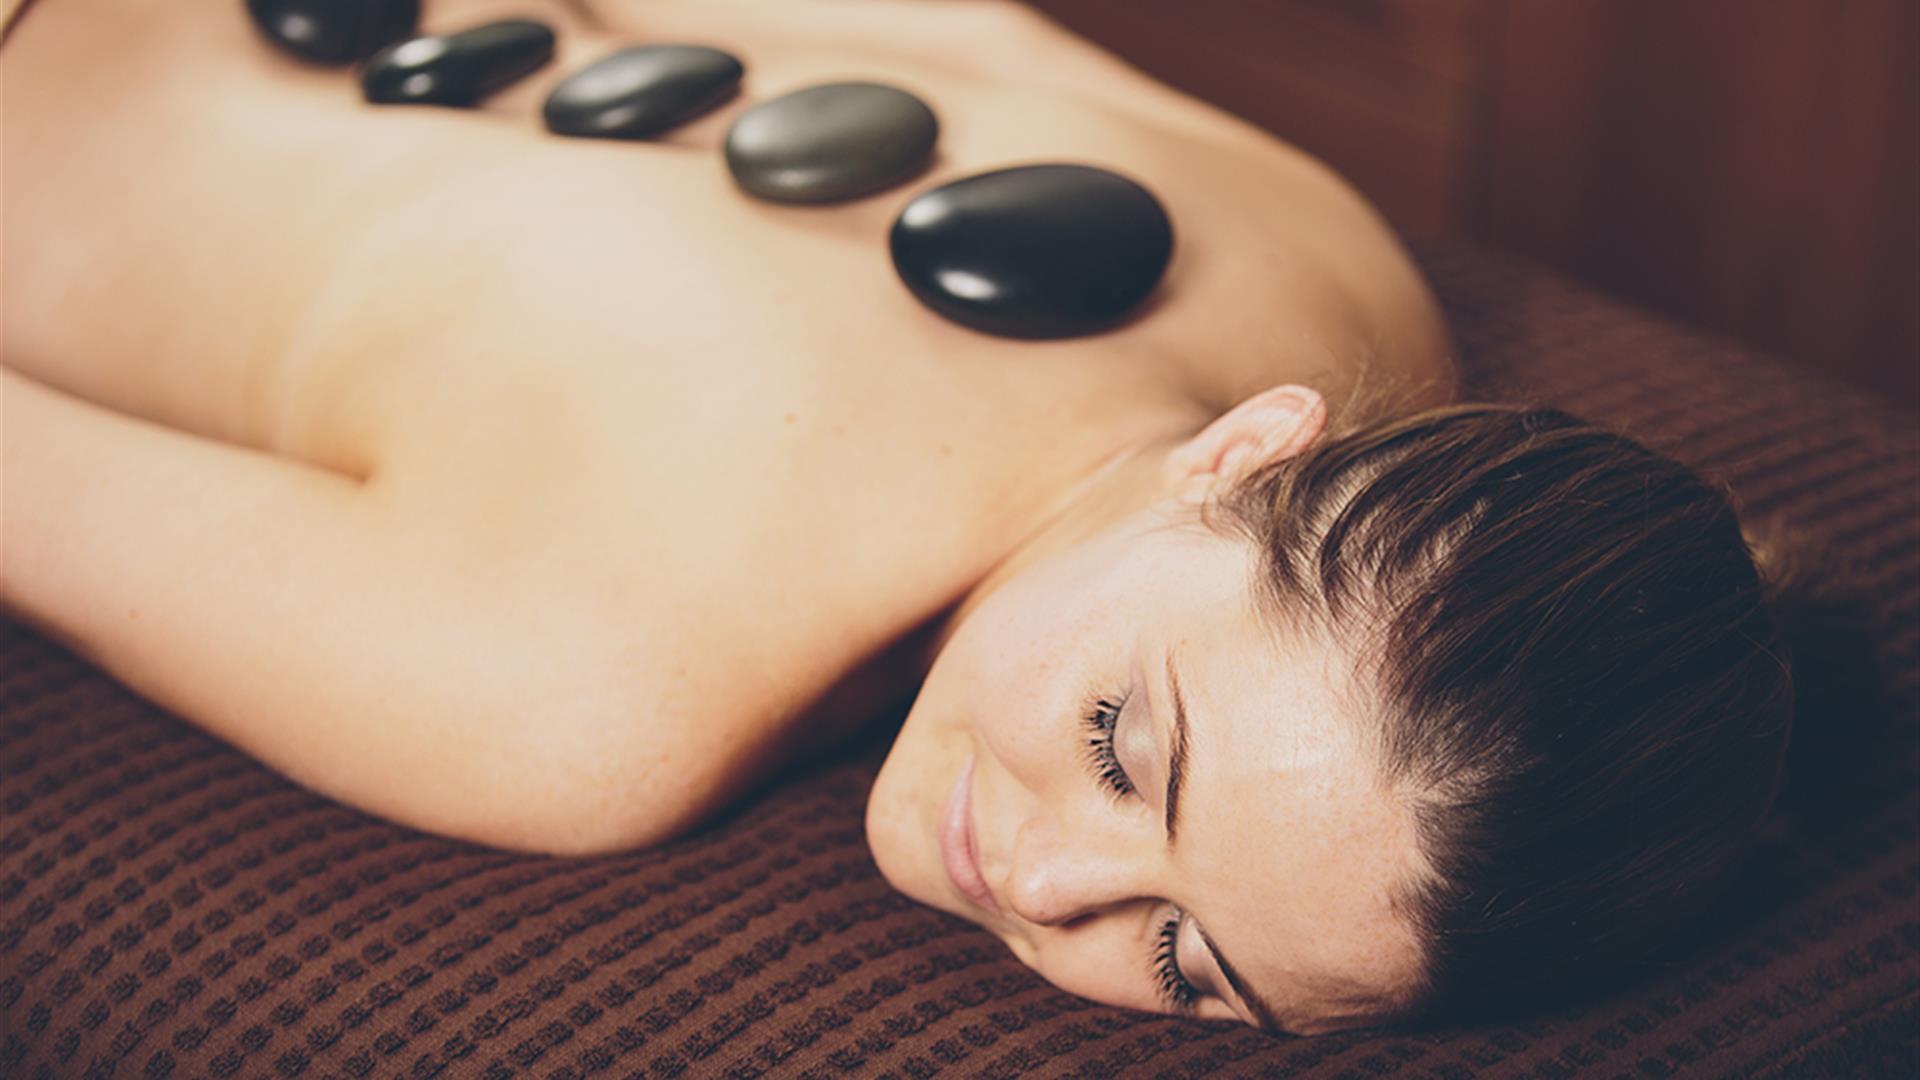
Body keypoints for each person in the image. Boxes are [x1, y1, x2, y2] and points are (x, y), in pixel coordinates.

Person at [0, 0, 1790, 1035]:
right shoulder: (596, 695)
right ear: (1249, 454)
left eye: (1186, 961)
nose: (1047, 881)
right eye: (1118, 741)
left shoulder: (1340, 274)